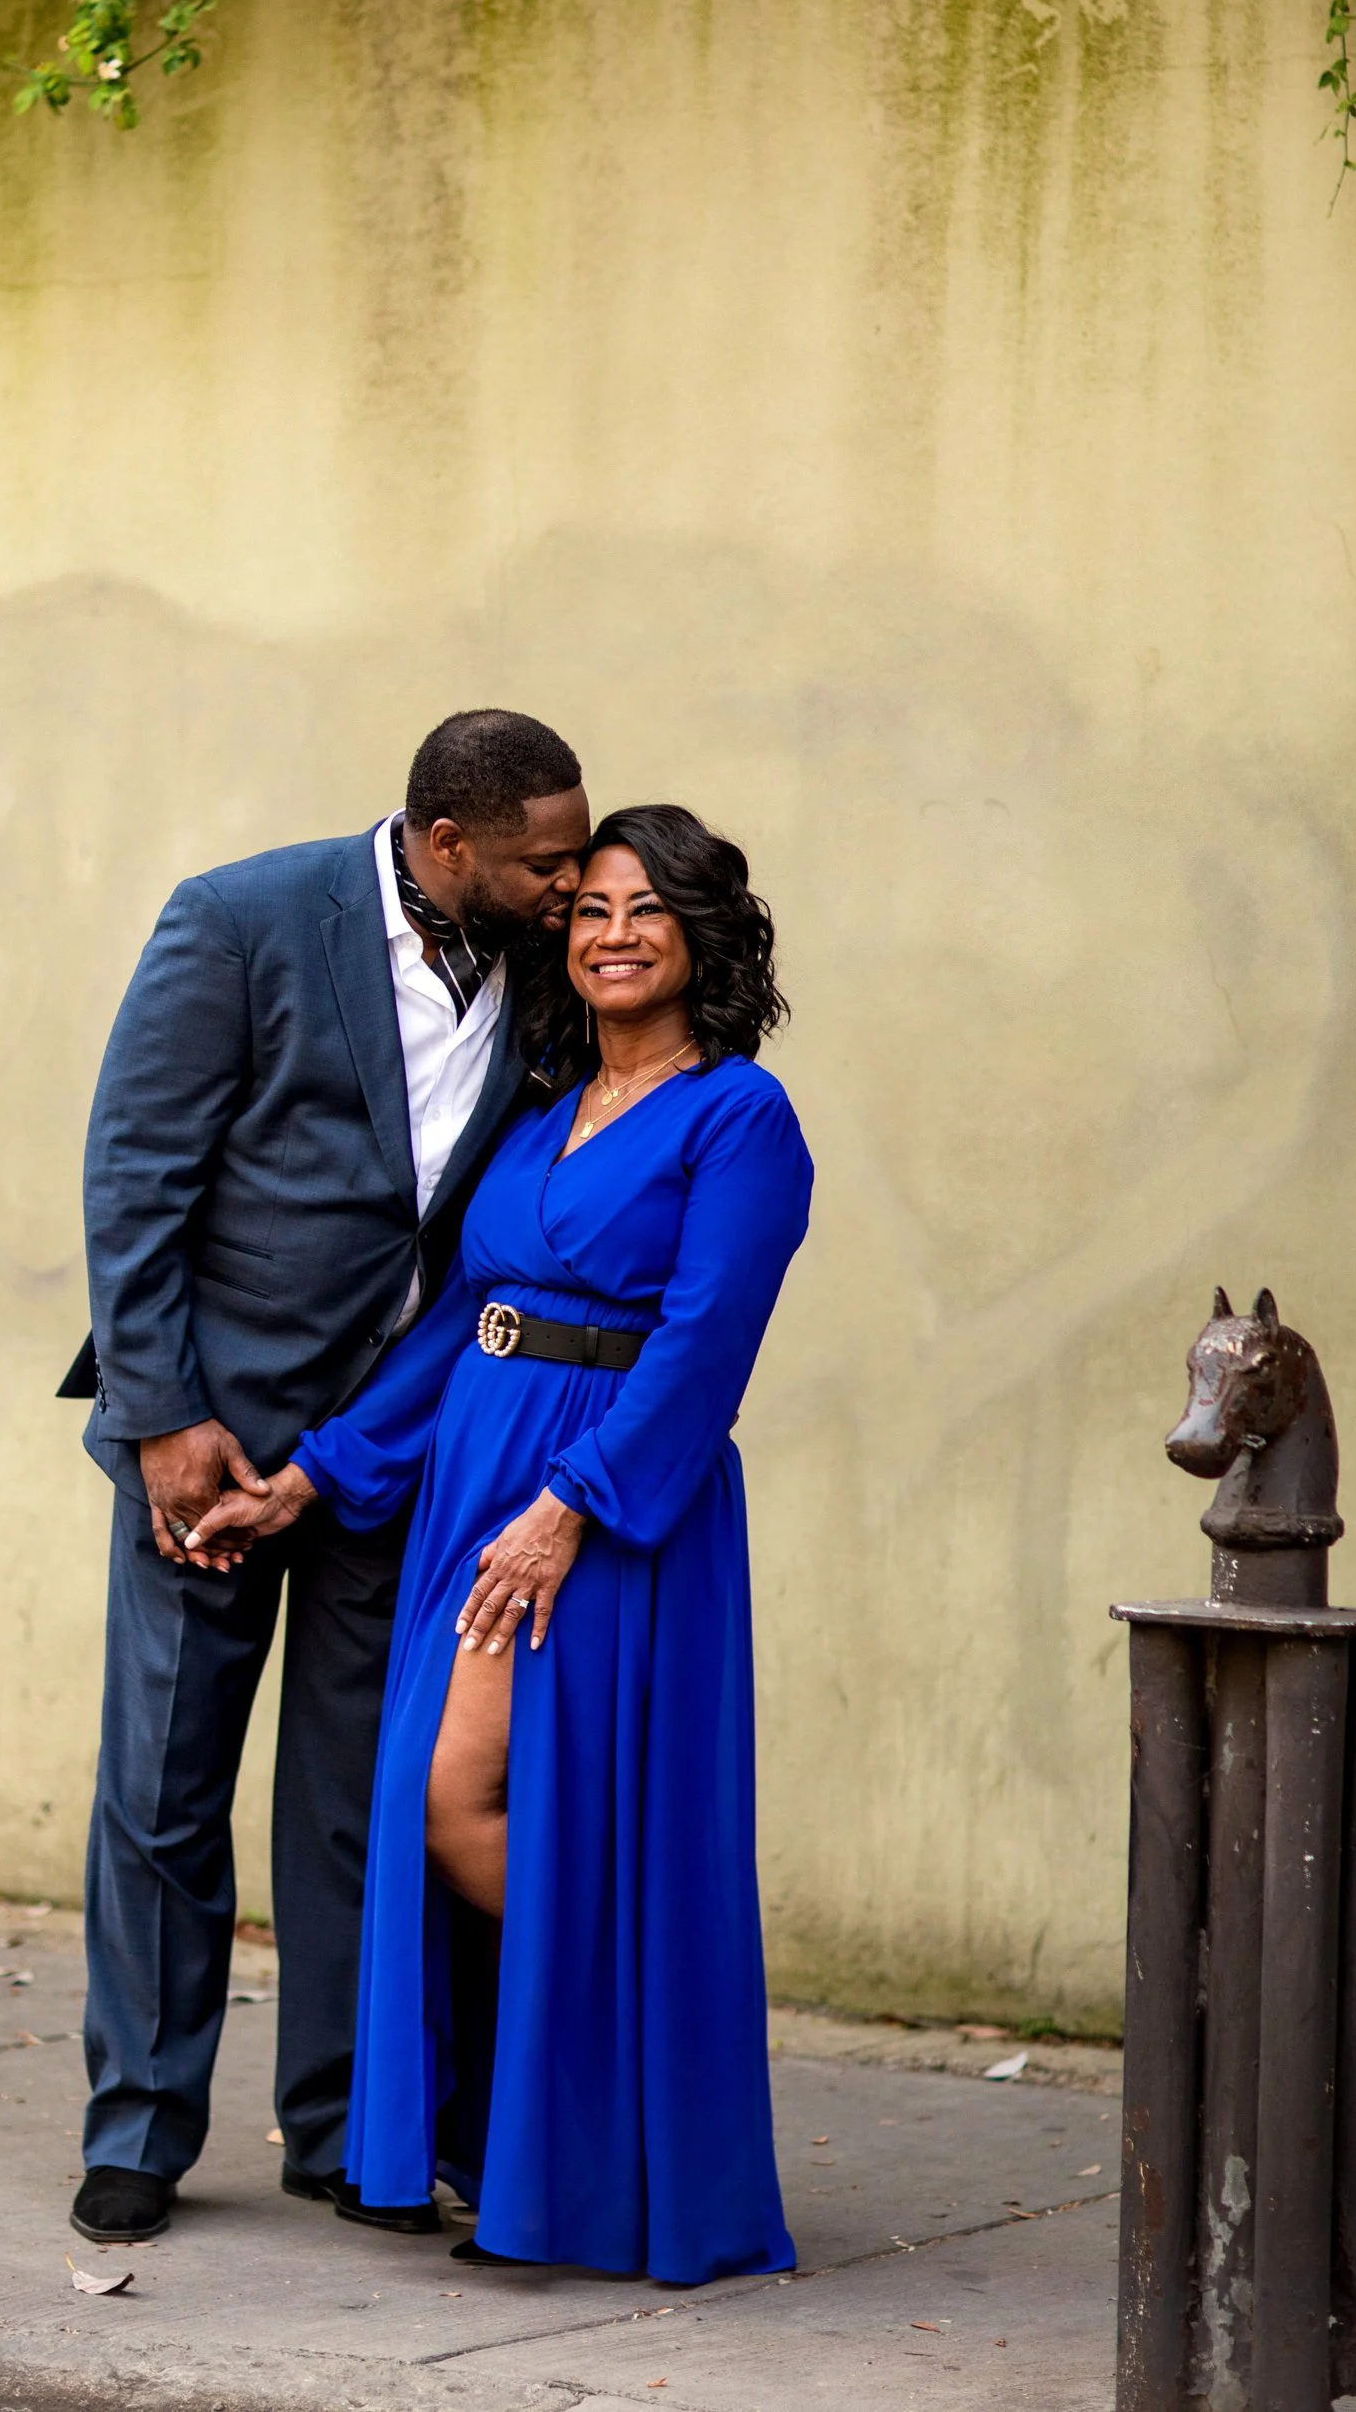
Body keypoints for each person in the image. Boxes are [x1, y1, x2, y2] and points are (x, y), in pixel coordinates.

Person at [185, 805, 812, 2284]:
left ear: (701, 936)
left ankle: (610, 2104)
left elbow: (703, 1341)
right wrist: (314, 1474)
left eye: (643, 909)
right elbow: (466, 1328)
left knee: (461, 1796)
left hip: (599, 1505)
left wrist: (571, 1508)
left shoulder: (739, 1118)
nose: (608, 932)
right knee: (455, 1799)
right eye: (586, 907)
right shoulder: (540, 1115)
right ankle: (564, 2127)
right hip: (477, 1476)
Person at [63, 710, 591, 2248]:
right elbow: (135, 1170)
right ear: (446, 846)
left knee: (359, 1796)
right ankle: (141, 2129)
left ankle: (344, 2125)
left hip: (399, 1453)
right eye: (542, 861)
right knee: (163, 1790)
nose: (569, 886)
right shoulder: (239, 919)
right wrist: (161, 1416)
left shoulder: (542, 964)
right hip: (210, 1448)